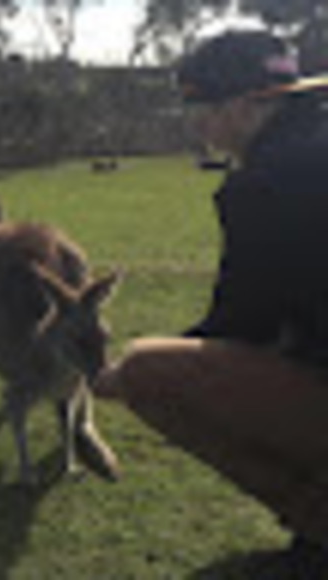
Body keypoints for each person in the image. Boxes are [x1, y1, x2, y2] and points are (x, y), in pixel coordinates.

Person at [94, 29, 328, 575]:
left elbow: (240, 326)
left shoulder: (264, 184)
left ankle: (319, 528)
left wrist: (117, 378)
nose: (195, 124)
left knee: (149, 371)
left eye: (202, 108)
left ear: (246, 106)